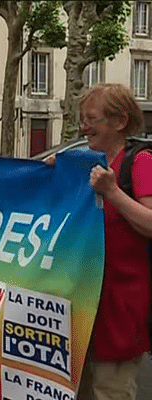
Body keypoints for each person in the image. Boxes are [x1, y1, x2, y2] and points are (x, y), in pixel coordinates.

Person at [45, 83, 152, 400]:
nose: (84, 126)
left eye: (91, 118)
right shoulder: (85, 163)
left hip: (121, 308)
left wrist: (114, 192)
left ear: (119, 122)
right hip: (83, 305)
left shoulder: (141, 163)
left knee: (111, 391)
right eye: (82, 118)